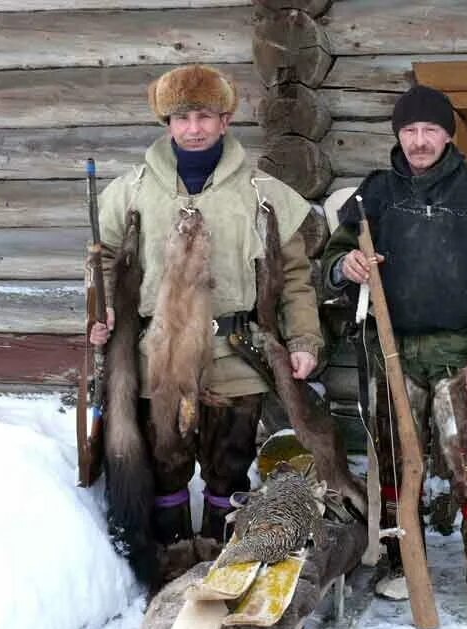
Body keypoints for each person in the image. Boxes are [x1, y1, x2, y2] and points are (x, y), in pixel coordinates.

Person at [88, 64, 323, 580]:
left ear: (225, 118)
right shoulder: (130, 192)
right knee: (166, 464)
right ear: (166, 122)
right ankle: (170, 569)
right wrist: (102, 312)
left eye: (204, 116)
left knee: (228, 465)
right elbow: (103, 261)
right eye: (181, 117)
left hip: (234, 352)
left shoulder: (262, 194)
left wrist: (304, 337)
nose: (193, 128)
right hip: (161, 353)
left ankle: (221, 567)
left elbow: (297, 277)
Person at [322, 85, 467, 629]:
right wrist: (345, 266)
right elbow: (331, 257)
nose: (419, 141)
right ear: (398, 134)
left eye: (430, 131)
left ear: (448, 135)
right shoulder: (373, 196)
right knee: (393, 466)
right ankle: (401, 564)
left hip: (462, 355)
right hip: (391, 351)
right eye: (409, 131)